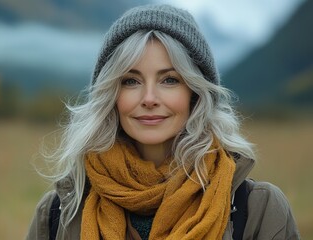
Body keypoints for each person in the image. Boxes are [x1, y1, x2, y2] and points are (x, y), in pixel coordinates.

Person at [26, 4, 300, 240]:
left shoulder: (259, 208)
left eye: (169, 80)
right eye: (131, 81)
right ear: (111, 95)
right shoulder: (58, 212)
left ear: (195, 94)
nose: (149, 98)